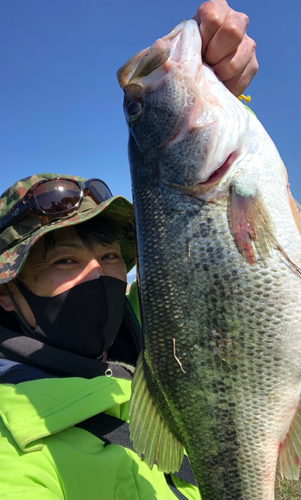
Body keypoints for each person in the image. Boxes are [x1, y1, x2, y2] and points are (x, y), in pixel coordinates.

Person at [0, 1, 258, 499]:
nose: (100, 274)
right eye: (66, 261)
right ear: (8, 292)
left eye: (113, 256)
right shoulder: (14, 451)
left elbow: (228, 249)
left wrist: (223, 98)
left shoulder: (149, 326)